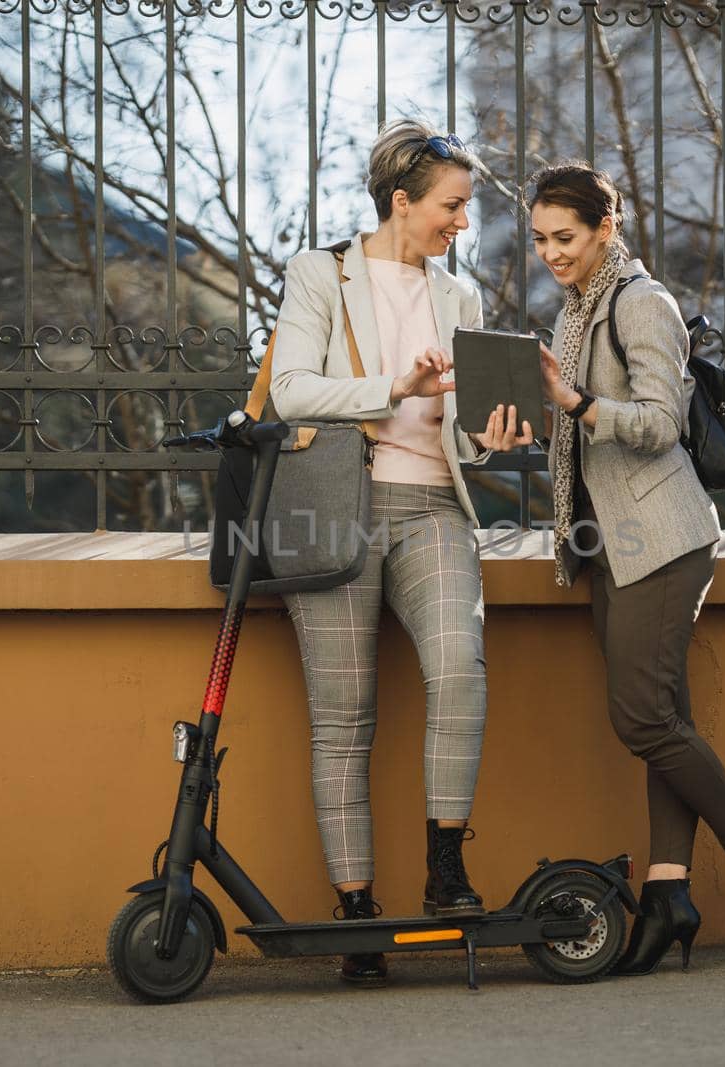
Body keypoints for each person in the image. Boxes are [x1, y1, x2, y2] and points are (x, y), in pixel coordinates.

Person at [268, 119, 533, 986]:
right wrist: (397, 386)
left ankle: (445, 865)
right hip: (337, 503)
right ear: (402, 201)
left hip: (432, 508)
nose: (464, 223)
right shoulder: (320, 273)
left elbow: (472, 437)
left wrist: (493, 434)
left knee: (461, 668)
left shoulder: (459, 298)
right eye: (453, 206)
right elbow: (290, 390)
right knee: (344, 717)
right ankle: (356, 914)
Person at [528, 161, 725, 972]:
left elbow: (657, 421)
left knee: (641, 719)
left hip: (663, 537)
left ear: (605, 229)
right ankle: (668, 893)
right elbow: (576, 436)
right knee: (664, 718)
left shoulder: (642, 303)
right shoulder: (574, 311)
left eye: (565, 236)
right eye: (541, 238)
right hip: (607, 543)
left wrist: (575, 404)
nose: (550, 252)